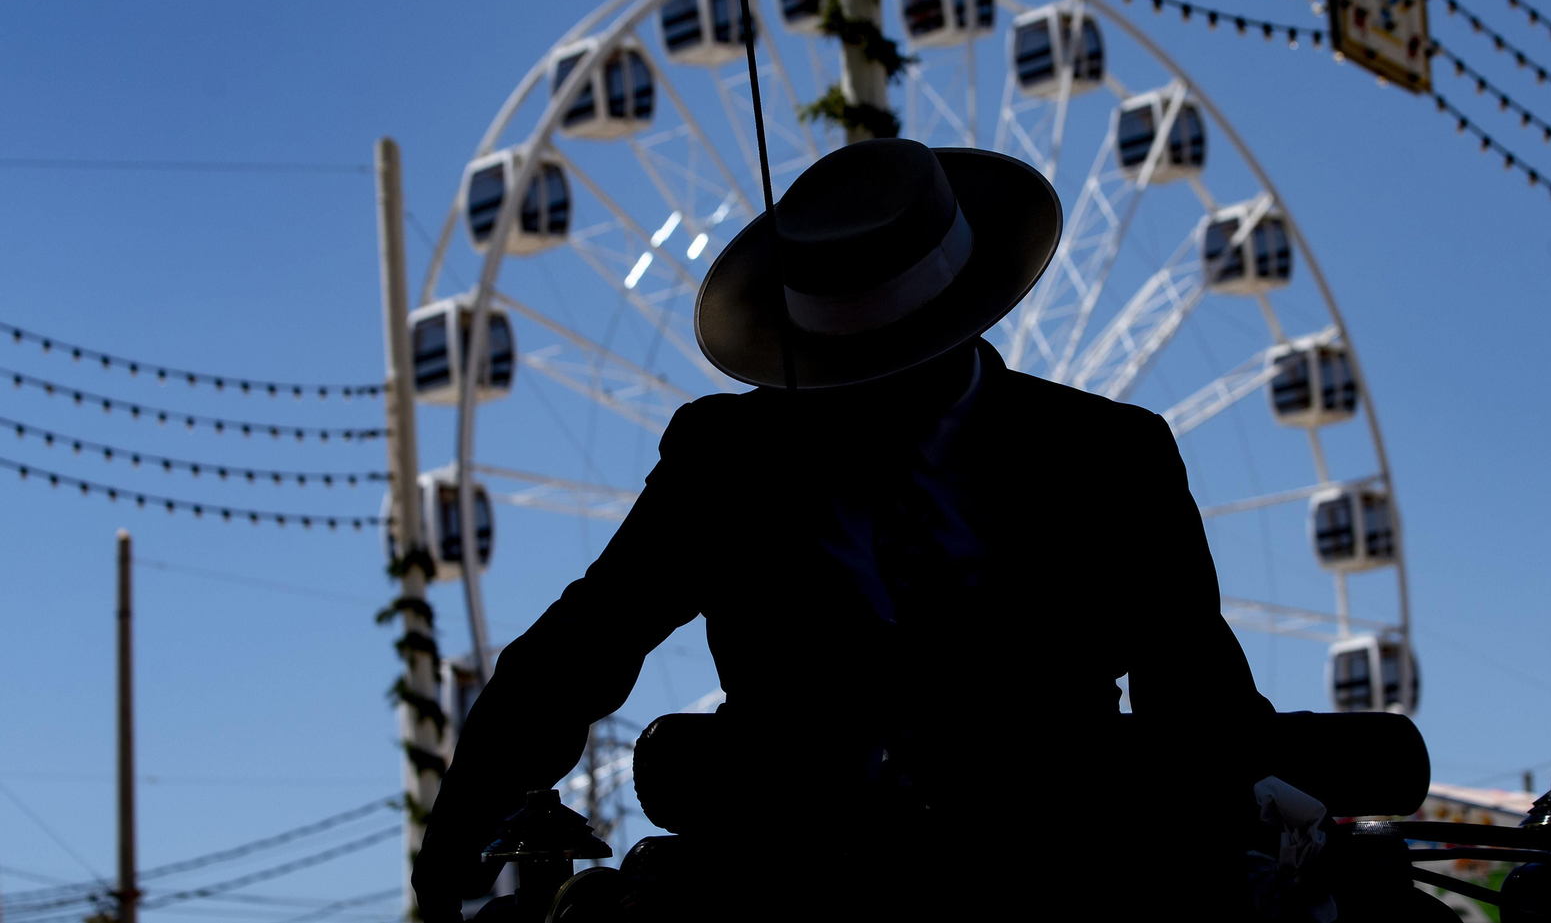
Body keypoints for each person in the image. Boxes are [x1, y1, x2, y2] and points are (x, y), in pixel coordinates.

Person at [412, 139, 1275, 920]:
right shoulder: (730, 456)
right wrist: (453, 854)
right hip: (787, 897)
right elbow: (582, 646)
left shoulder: (1108, 456)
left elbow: (1193, 688)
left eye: (888, 371)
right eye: (841, 377)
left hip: (1060, 891)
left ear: (957, 326)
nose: (861, 404)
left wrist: (1240, 857)